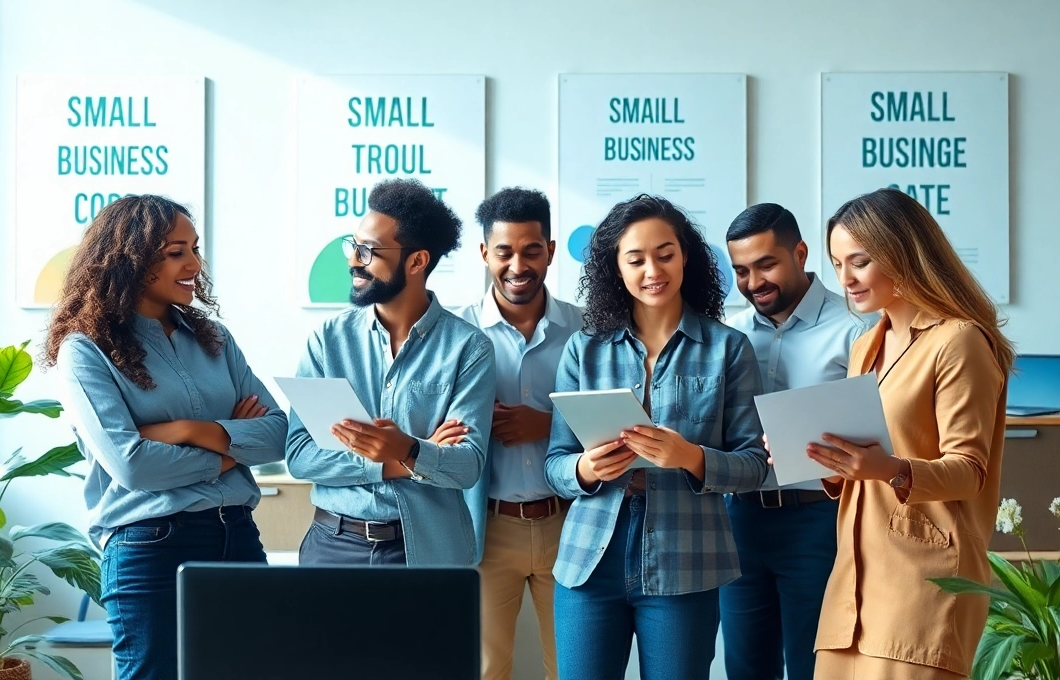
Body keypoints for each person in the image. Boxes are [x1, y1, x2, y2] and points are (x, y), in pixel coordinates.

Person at [45, 195, 288, 680]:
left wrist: (189, 431)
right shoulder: (86, 351)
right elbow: (133, 465)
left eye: (195, 249)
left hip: (237, 534)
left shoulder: (214, 339)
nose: (194, 265)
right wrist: (227, 453)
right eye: (177, 252)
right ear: (129, 257)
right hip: (150, 546)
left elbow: (278, 434)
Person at [544, 194, 769, 680]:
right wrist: (583, 469)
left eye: (665, 254)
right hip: (590, 559)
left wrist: (690, 456)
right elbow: (556, 463)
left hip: (687, 558)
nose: (653, 270)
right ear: (615, 268)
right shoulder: (584, 349)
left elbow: (755, 465)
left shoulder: (728, 348)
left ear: (685, 255)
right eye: (636, 259)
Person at [805, 188, 1013, 680]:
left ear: (904, 254)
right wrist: (819, 456)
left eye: (860, 261)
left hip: (923, 582)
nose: (846, 278)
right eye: (837, 263)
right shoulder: (864, 346)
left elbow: (970, 472)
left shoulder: (959, 340)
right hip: (852, 585)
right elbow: (862, 465)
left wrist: (888, 469)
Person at [285, 178, 494, 566]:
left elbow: (466, 466)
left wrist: (409, 449)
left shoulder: (469, 348)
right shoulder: (327, 342)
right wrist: (400, 459)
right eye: (354, 245)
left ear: (416, 262)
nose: (353, 260)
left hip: (426, 551)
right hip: (333, 546)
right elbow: (300, 456)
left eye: (369, 251)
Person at [721, 203, 873, 680]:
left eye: (766, 264)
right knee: (745, 667)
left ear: (801, 253)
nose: (754, 282)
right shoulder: (730, 335)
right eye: (742, 271)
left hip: (817, 520)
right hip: (741, 520)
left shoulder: (855, 331)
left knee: (816, 667)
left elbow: (879, 436)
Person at [450, 187, 583, 680]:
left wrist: (548, 426)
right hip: (485, 527)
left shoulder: (585, 330)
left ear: (550, 250)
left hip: (569, 523)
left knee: (574, 667)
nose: (517, 265)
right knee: (484, 669)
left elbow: (618, 424)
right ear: (485, 253)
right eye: (504, 251)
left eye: (532, 250)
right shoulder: (455, 333)